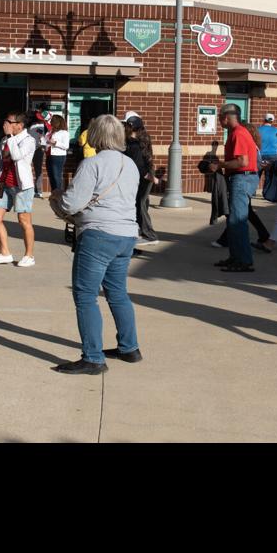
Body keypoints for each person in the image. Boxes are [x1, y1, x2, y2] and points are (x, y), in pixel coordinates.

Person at [48, 114, 141, 374]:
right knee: (118, 292)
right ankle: (129, 347)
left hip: (98, 235)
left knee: (85, 295)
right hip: (126, 235)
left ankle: (92, 357)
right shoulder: (130, 164)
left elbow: (71, 203)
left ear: (94, 136)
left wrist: (57, 198)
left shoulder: (92, 164)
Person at [209, 104, 263, 272]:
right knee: (234, 220)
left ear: (226, 117)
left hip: (242, 178)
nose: (219, 121)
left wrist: (219, 165)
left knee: (237, 221)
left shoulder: (238, 133)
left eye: (219, 118)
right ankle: (235, 257)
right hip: (241, 178)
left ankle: (244, 261)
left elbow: (242, 162)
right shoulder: (236, 133)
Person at [0, 112, 39, 267]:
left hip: (21, 186)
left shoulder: (29, 140)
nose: (5, 124)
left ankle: (29, 256)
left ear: (19, 125)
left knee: (24, 221)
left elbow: (16, 156)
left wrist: (10, 137)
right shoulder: (5, 139)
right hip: (4, 183)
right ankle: (5, 253)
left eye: (8, 122)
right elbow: (7, 160)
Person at [123, 116, 157, 246]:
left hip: (144, 175)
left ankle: (150, 235)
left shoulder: (138, 141)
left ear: (133, 127)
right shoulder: (137, 139)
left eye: (128, 125)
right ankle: (141, 231)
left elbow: (140, 163)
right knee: (141, 203)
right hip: (143, 174)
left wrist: (149, 176)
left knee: (140, 204)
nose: (126, 128)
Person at [257, 111, 277, 195]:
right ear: (272, 121)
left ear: (264, 120)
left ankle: (252, 192)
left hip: (260, 155)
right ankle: (267, 193)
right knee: (269, 176)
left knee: (257, 174)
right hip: (273, 156)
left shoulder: (258, 130)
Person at [46, 113, 69, 194]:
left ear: (57, 122)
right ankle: (54, 192)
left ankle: (58, 194)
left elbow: (66, 146)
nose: (50, 122)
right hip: (49, 155)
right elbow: (47, 142)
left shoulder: (64, 132)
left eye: (52, 121)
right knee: (51, 175)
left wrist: (55, 142)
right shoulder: (51, 131)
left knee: (56, 176)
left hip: (58, 156)